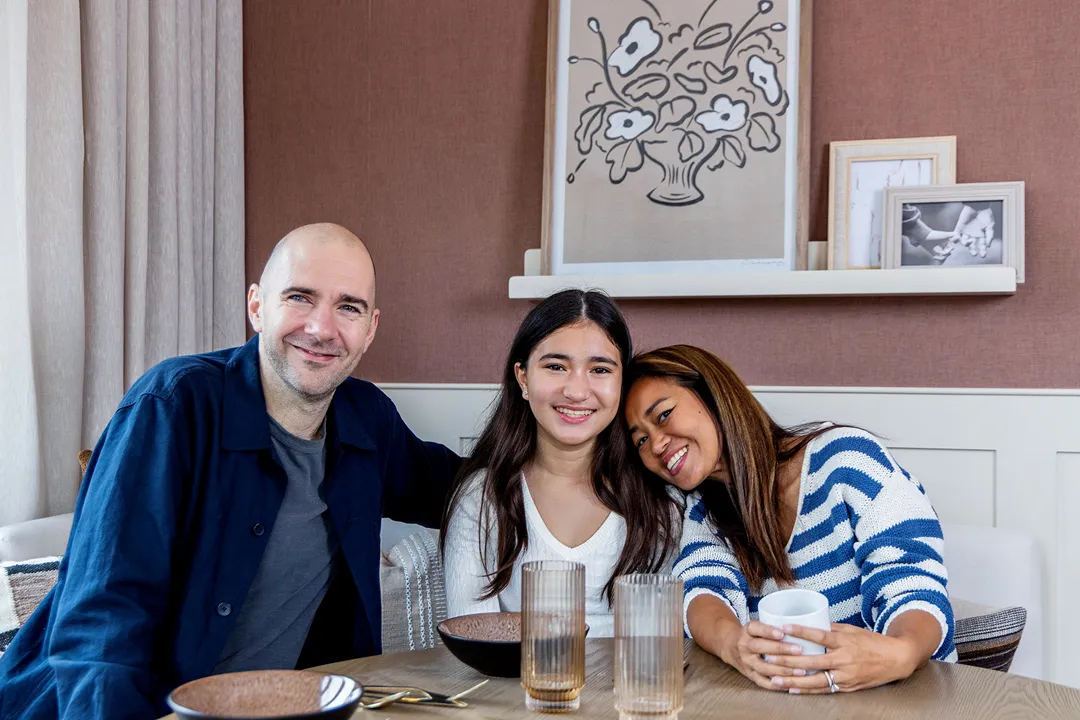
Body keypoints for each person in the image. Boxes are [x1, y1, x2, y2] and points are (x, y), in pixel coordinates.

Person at [0, 223, 461, 719]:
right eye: (300, 298)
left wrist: (551, 427)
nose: (322, 328)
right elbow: (103, 618)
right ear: (257, 306)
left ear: (369, 328)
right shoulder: (172, 407)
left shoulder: (367, 420)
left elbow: (468, 489)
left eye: (348, 307)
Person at [624, 345, 955, 695]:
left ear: (713, 395)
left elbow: (916, 586)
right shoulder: (706, 513)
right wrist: (732, 643)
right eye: (641, 440)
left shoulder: (845, 460)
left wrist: (900, 653)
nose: (656, 444)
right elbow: (701, 592)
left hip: (912, 699)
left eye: (663, 416)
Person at [441, 290, 675, 636]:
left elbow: (677, 635)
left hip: (637, 686)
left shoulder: (661, 497)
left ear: (621, 381)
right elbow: (475, 646)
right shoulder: (481, 498)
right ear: (523, 378)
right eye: (555, 366)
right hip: (521, 688)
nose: (577, 391)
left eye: (599, 369)